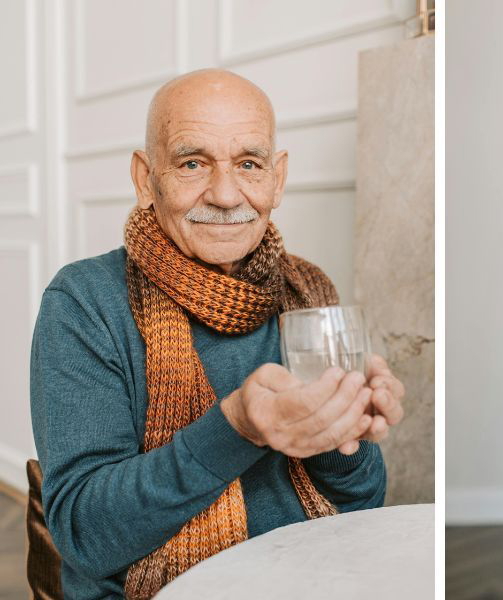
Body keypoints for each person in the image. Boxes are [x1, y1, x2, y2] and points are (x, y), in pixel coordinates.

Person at [29, 69, 405, 599]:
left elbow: (364, 498)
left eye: (249, 164)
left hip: (312, 576)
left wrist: (338, 428)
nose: (227, 195)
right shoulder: (84, 303)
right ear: (145, 178)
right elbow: (86, 537)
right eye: (192, 163)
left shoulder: (307, 290)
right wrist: (239, 429)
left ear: (277, 178)